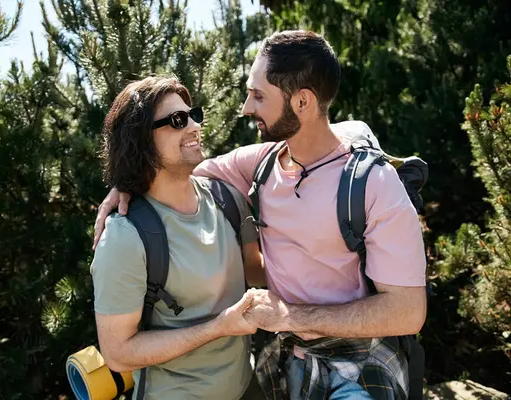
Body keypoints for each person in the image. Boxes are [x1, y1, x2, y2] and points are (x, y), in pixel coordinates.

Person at [93, 30, 427, 400]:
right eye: (178, 120)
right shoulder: (259, 164)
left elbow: (409, 312)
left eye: (258, 96)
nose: (245, 108)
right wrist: (124, 185)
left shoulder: (373, 184)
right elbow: (168, 170)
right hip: (288, 363)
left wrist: (289, 317)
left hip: (358, 364)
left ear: (302, 102)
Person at [90, 76, 266, 400]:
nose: (194, 126)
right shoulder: (124, 237)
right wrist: (217, 328)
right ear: (140, 141)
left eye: (194, 114)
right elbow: (117, 353)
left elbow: (256, 272)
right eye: (177, 120)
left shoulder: (227, 198)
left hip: (246, 387)